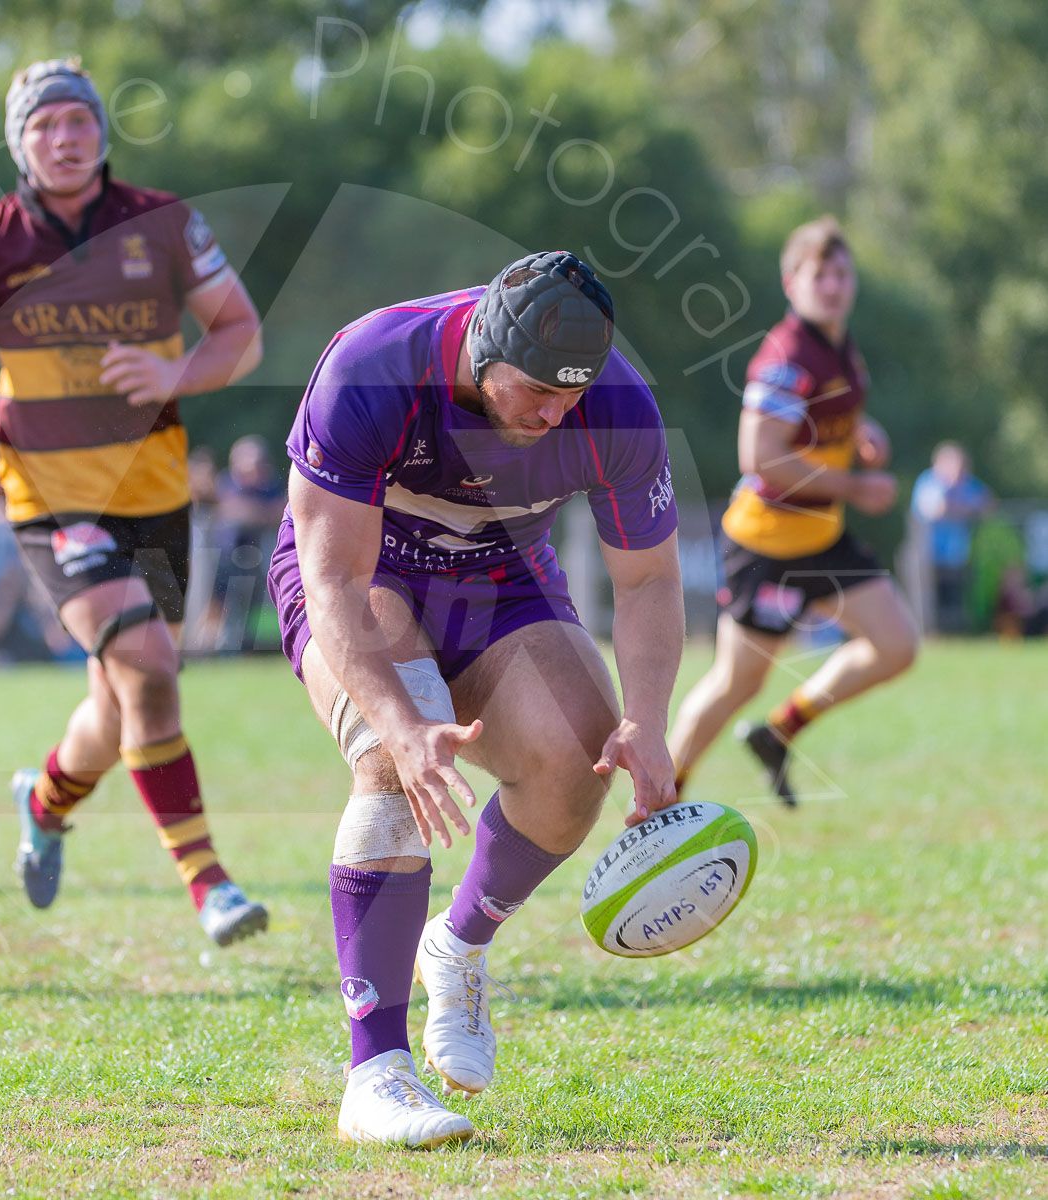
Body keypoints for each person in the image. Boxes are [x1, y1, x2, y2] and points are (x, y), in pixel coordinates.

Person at [267, 251, 684, 1146]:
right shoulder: (373, 364)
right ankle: (374, 1076)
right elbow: (332, 575)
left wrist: (647, 720)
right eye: (535, 389)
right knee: (391, 766)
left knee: (580, 764)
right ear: (482, 348)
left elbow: (648, 584)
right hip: (362, 575)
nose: (555, 412)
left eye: (570, 395)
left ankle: (455, 948)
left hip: (499, 578)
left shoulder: (614, 404)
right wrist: (400, 721)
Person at [0, 59, 269, 946]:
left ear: (102, 133)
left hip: (157, 493)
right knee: (146, 663)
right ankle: (208, 882)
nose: (64, 140)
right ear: (19, 142)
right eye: (44, 126)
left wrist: (175, 371)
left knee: (123, 698)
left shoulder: (165, 225)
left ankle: (46, 799)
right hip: (50, 494)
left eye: (78, 123)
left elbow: (242, 335)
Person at [667, 216, 918, 807]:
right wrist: (854, 486)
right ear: (791, 281)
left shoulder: (841, 345)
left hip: (820, 538)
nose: (831, 285)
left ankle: (780, 732)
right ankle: (657, 801)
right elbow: (760, 455)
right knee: (736, 683)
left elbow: (823, 418)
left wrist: (862, 431)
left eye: (841, 273)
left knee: (897, 644)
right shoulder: (786, 356)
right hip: (765, 548)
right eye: (818, 274)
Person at [210, 434, 286, 653]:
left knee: (247, 602)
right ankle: (215, 645)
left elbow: (280, 510)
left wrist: (256, 511)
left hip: (256, 557)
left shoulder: (269, 485)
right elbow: (233, 510)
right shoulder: (228, 481)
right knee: (221, 602)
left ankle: (237, 642)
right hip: (224, 557)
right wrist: (261, 511)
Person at [910, 440, 993, 633]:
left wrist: (960, 507)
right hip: (927, 555)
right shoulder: (929, 481)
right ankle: (930, 635)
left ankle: (955, 634)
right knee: (928, 603)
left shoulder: (966, 483)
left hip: (957, 555)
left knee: (955, 601)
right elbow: (936, 509)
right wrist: (967, 508)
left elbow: (988, 505)